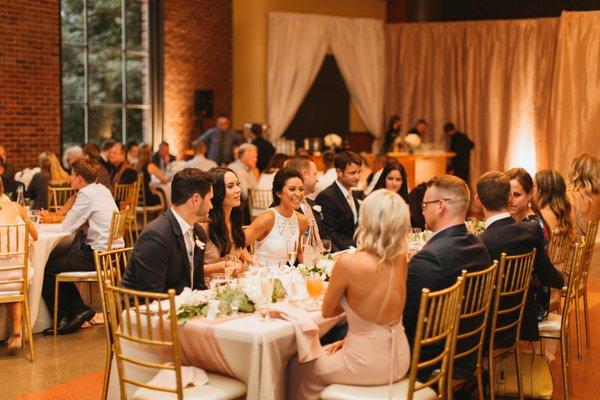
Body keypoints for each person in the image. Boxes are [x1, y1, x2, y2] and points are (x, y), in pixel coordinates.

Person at [289, 190, 411, 399]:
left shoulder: (349, 263)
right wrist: (353, 338)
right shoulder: (401, 258)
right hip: (400, 357)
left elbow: (327, 312)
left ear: (366, 220)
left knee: (297, 365)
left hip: (367, 364)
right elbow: (378, 311)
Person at [404, 175, 491, 381]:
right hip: (467, 350)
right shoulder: (478, 247)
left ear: (440, 206)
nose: (422, 210)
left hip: (430, 360)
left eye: (425, 205)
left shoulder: (430, 258)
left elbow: (404, 318)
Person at [475, 171, 564, 346]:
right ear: (508, 198)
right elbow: (549, 274)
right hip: (524, 313)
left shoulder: (478, 244)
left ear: (478, 201)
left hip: (492, 324)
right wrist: (564, 281)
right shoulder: (531, 230)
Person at [39, 158, 122, 335]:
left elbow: (68, 226)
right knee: (57, 262)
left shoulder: (86, 194)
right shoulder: (102, 190)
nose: (69, 177)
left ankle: (61, 319)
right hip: (113, 254)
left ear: (79, 179)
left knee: (46, 267)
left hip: (97, 256)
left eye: (72, 174)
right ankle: (79, 310)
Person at [121, 168, 214, 293]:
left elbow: (198, 285)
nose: (211, 206)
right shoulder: (155, 236)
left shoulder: (198, 232)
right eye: (210, 200)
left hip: (181, 305)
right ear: (196, 199)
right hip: (145, 309)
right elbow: (150, 295)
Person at [0, 179, 38, 353]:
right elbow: (35, 236)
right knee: (9, 277)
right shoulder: (17, 208)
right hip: (17, 278)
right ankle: (17, 328)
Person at [245, 168, 308, 266]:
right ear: (278, 193)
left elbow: (300, 253)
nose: (298, 194)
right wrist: (251, 260)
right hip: (262, 276)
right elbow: (236, 244)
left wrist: (312, 270)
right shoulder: (268, 218)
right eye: (292, 189)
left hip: (286, 276)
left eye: (301, 189)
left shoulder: (302, 221)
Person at [201, 168, 251, 276]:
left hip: (232, 287)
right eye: (230, 186)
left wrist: (250, 261)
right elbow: (192, 270)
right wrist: (223, 266)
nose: (238, 190)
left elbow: (238, 248)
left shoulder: (234, 221)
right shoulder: (205, 225)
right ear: (216, 191)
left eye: (238, 184)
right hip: (209, 288)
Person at [315, 151, 363, 252]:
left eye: (359, 172)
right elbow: (331, 233)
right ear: (339, 172)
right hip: (342, 253)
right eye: (353, 173)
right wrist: (352, 250)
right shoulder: (327, 196)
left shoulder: (353, 194)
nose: (357, 177)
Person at [286, 156, 325, 244]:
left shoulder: (310, 203)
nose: (317, 179)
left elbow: (324, 235)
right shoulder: (285, 208)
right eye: (315, 174)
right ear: (304, 174)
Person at [507, 167, 550, 245]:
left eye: (517, 195)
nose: (510, 200)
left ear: (530, 194)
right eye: (508, 194)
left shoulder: (532, 226)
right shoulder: (515, 219)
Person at [566, 153, 600, 236]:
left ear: (574, 170)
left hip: (575, 247)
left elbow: (570, 233)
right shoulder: (598, 196)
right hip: (592, 245)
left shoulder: (569, 195)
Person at [534, 169, 574, 235]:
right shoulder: (560, 212)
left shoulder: (543, 214)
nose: (532, 190)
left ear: (543, 190)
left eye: (534, 186)